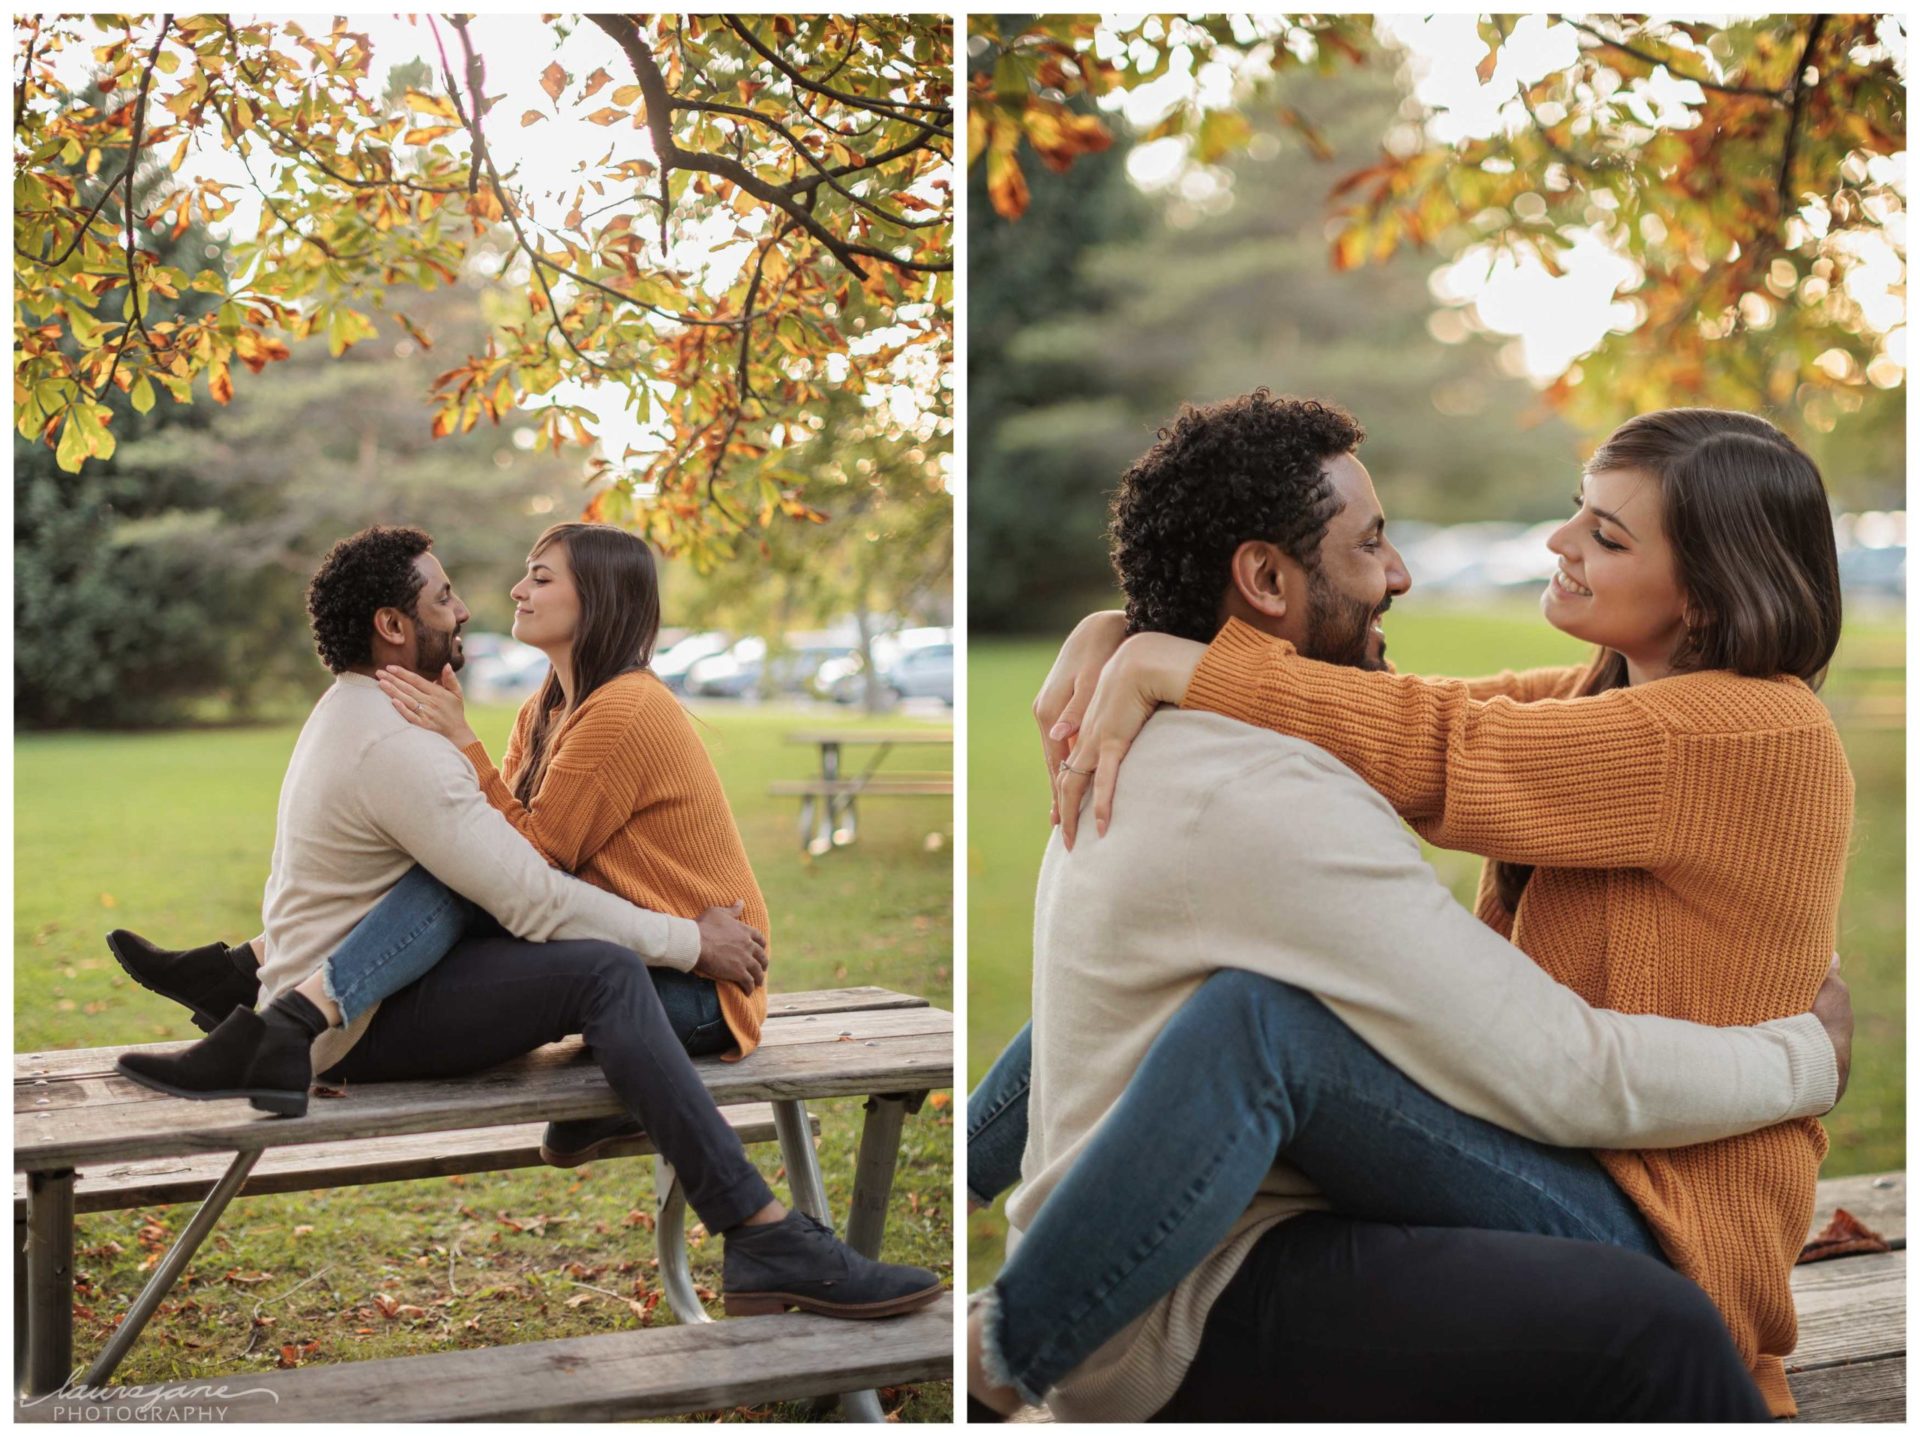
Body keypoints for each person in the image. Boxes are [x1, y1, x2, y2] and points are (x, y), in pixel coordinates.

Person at [966, 395, 1853, 1420]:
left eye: (1605, 536)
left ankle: (1001, 1357)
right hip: (1567, 1155)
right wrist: (1129, 629)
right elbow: (1411, 709)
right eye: (1578, 510)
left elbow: (1445, 751)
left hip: (1664, 1225)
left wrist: (1183, 656)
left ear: (1705, 594)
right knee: (1234, 984)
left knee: (1266, 1026)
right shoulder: (1599, 699)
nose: (1560, 542)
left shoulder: (1750, 734)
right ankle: (996, 1260)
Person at [113, 524, 941, 1320]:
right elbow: (524, 878)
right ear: (393, 626)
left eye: (540, 576)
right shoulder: (484, 719)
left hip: (703, 982)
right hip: (532, 982)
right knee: (552, 933)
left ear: (600, 601)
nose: (489, 598)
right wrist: (471, 753)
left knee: (507, 896)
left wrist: (466, 750)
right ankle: (761, 1235)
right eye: (447, 595)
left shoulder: (522, 711)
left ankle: (268, 997)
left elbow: (519, 867)